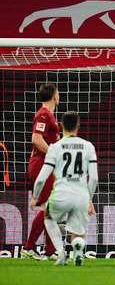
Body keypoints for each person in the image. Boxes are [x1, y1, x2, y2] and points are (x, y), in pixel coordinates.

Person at [30, 111, 98, 266]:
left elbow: (41, 177)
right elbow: (94, 178)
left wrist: (35, 197)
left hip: (61, 193)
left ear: (61, 126)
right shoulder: (88, 147)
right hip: (81, 194)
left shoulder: (55, 147)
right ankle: (77, 247)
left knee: (47, 215)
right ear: (78, 127)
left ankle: (61, 254)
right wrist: (89, 199)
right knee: (78, 232)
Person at [21, 82, 60, 260]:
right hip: (41, 165)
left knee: (53, 207)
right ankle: (29, 248)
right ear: (54, 96)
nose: (59, 96)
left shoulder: (48, 116)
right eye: (58, 93)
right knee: (49, 208)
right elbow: (36, 140)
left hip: (47, 165)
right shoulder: (43, 115)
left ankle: (51, 251)